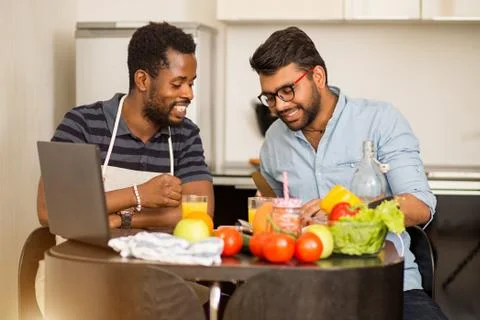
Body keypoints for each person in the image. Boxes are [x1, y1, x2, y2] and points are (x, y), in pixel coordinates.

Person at [250, 26, 447, 319]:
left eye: (287, 90)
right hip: (304, 288)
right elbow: (279, 222)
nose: (279, 105)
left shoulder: (380, 120)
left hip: (388, 286)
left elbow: (420, 206)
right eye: (270, 97)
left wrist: (347, 211)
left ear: (318, 76)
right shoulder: (274, 142)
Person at [35, 21, 213, 313]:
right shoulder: (82, 125)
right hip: (81, 278)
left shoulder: (185, 135)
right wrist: (139, 195)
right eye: (178, 83)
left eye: (191, 83)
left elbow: (198, 212)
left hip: (158, 281)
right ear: (143, 80)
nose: (189, 94)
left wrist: (118, 221)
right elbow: (50, 209)